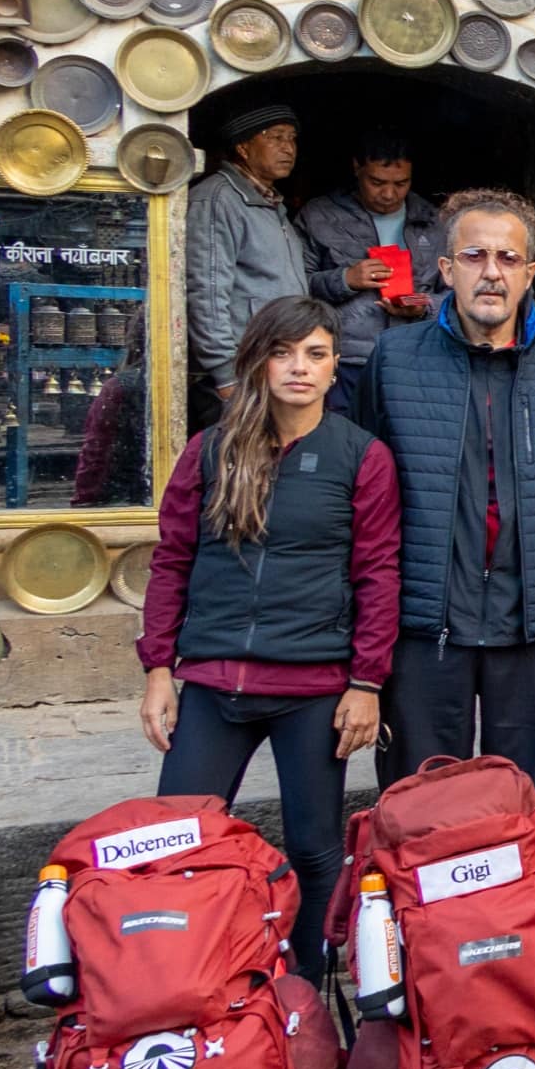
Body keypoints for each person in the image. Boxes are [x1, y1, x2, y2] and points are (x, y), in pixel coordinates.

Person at [137, 296, 400, 983]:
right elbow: (172, 560)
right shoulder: (211, 450)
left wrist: (366, 682)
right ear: (257, 363)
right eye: (283, 353)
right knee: (178, 842)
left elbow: (377, 573)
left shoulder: (360, 456)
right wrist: (159, 670)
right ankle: (186, 985)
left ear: (335, 366)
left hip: (312, 688)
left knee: (314, 847)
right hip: (213, 683)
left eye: (315, 354)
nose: (299, 368)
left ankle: (309, 991)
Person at [353, 188, 535, 817]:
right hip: (424, 623)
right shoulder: (394, 361)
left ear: (530, 273)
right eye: (475, 256)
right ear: (447, 269)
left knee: (529, 807)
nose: (492, 272)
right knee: (421, 809)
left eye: (508, 258)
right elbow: (361, 501)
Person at [298, 130, 443, 413]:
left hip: (417, 356)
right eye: (376, 182)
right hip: (345, 359)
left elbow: (460, 293)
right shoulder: (319, 215)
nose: (389, 194)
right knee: (343, 436)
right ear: (357, 168)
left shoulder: (434, 221)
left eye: (401, 183)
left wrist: (425, 306)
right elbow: (294, 285)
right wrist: (345, 279)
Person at [185, 105, 307, 430]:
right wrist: (225, 376)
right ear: (243, 147)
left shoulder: (269, 204)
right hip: (239, 374)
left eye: (292, 139)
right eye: (276, 138)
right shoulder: (219, 199)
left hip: (270, 365)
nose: (288, 148)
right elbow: (207, 290)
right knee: (236, 457)